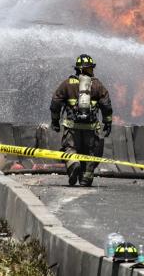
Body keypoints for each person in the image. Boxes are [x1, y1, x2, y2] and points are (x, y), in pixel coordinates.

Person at [50, 54, 113, 186]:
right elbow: (106, 105)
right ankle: (86, 178)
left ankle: (73, 164)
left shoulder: (67, 84)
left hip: (72, 127)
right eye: (91, 68)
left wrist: (55, 121)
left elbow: (55, 103)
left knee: (70, 148)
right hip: (90, 129)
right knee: (90, 153)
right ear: (85, 69)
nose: (92, 71)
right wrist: (108, 122)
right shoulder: (97, 85)